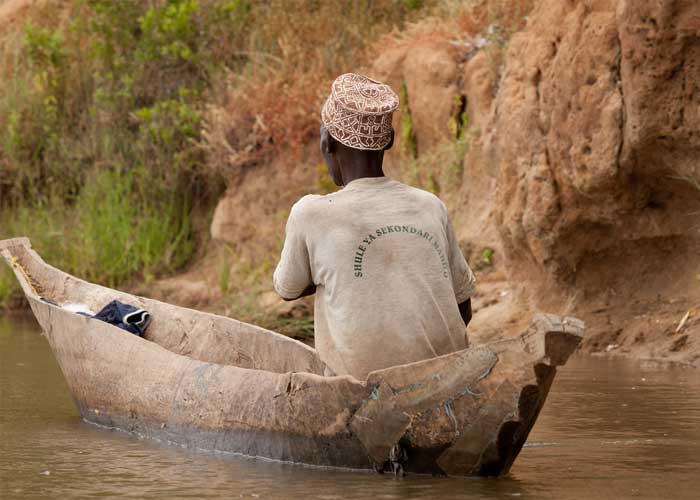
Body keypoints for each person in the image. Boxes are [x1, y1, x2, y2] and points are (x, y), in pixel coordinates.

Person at [273, 73, 476, 380]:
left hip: (362, 388)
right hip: (450, 377)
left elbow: (288, 289)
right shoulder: (429, 205)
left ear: (326, 142)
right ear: (391, 140)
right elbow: (463, 309)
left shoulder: (310, 213)